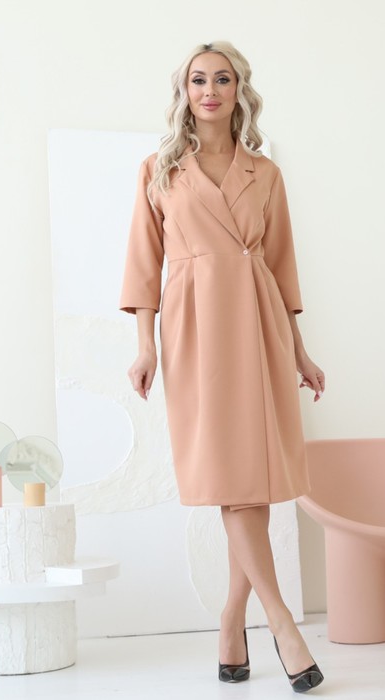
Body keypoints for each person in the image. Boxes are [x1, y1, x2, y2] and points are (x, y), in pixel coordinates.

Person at [120, 41, 325, 693]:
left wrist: (299, 351)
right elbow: (143, 267)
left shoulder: (265, 173)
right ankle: (282, 623)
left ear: (240, 90)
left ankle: (232, 621)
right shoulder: (158, 169)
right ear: (184, 91)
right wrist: (145, 346)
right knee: (232, 478)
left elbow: (283, 267)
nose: (209, 90)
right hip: (195, 327)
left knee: (250, 484)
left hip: (258, 321)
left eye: (223, 79)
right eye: (198, 79)